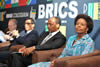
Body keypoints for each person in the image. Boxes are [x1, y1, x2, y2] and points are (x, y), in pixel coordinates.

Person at [27, 14, 94, 67]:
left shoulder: (89, 42)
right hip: (60, 62)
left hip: (70, 64)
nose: (78, 26)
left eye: (82, 25)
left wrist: (61, 62)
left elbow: (81, 60)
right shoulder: (71, 38)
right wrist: (56, 61)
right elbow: (64, 53)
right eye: (77, 24)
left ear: (87, 28)